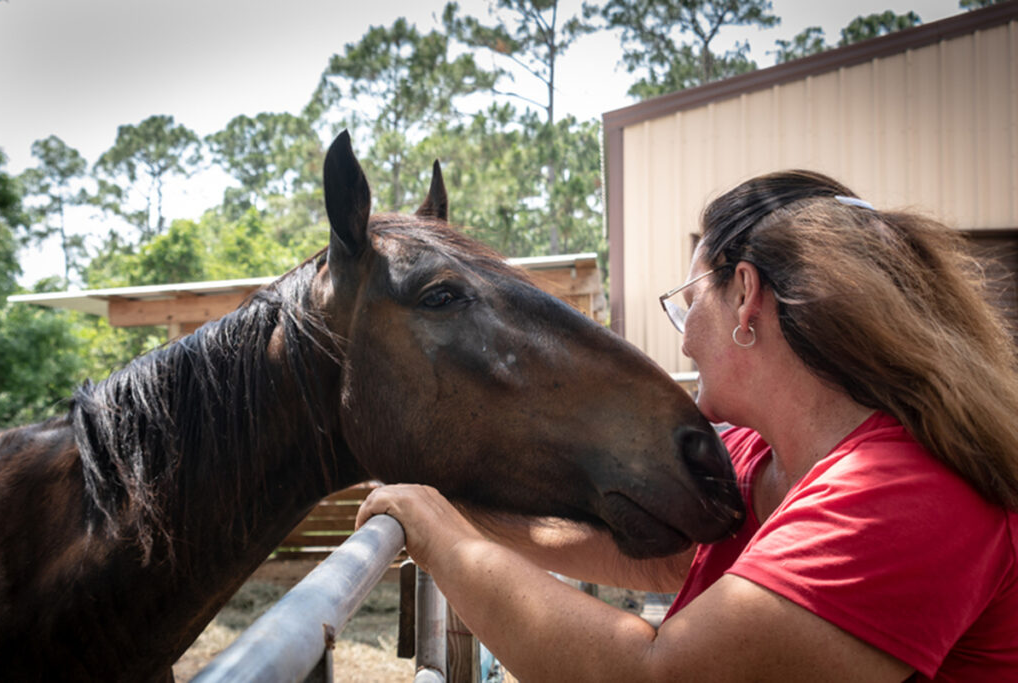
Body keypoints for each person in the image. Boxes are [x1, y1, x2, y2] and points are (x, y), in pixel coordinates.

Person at [357, 170, 1018, 681]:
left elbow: (658, 674)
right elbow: (663, 550)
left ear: (746, 297)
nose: (684, 344)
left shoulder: (902, 492)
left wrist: (443, 538)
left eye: (687, 302)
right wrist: (455, 512)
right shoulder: (763, 453)